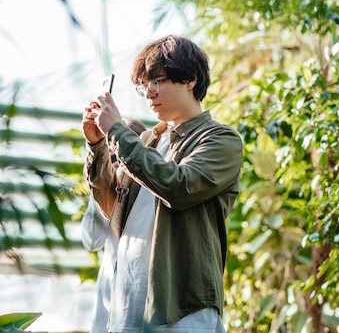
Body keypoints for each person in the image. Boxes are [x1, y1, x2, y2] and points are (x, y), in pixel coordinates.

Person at [81, 35, 243, 332]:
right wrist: (97, 146)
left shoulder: (219, 139)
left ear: (191, 79)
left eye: (157, 81)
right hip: (127, 307)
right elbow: (111, 208)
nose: (148, 93)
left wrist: (117, 130)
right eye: (144, 86)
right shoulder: (148, 140)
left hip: (181, 311)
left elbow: (179, 187)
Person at [82, 119, 146, 333]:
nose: (117, 160)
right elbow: (91, 242)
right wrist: (101, 187)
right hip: (109, 290)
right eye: (111, 155)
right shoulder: (107, 185)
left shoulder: (151, 191)